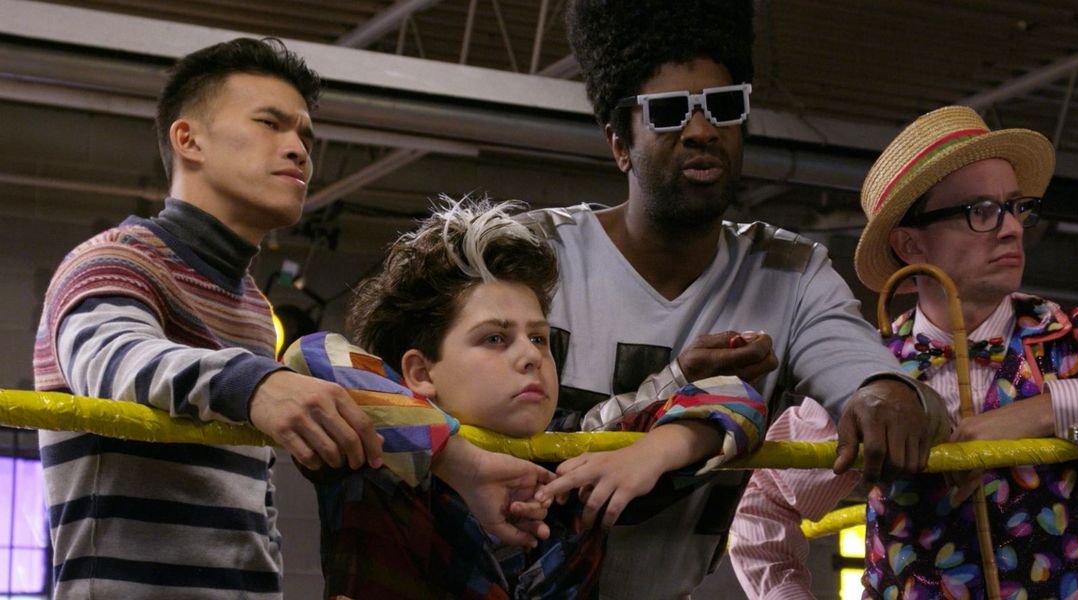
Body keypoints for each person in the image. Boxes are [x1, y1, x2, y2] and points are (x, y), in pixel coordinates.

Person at [728, 105, 1078, 599]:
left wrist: (1043, 411)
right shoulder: (869, 373)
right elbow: (761, 511)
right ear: (910, 243)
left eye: (1016, 208)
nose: (1011, 228)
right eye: (981, 211)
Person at [523, 1, 946, 596]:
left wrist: (887, 392)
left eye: (724, 106)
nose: (702, 131)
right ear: (619, 143)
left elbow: (870, 377)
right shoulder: (532, 254)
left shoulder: (789, 273)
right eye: (668, 112)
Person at [32, 38, 386, 599]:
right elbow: (113, 360)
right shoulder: (114, 260)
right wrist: (257, 384)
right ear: (188, 139)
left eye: (306, 136)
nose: (299, 149)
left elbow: (251, 503)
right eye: (270, 123)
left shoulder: (253, 306)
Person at [283, 199, 767, 599]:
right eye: (494, 338)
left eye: (539, 338)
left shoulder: (578, 453)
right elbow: (310, 355)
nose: (531, 356)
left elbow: (737, 396)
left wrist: (650, 454)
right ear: (420, 372)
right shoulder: (372, 456)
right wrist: (459, 461)